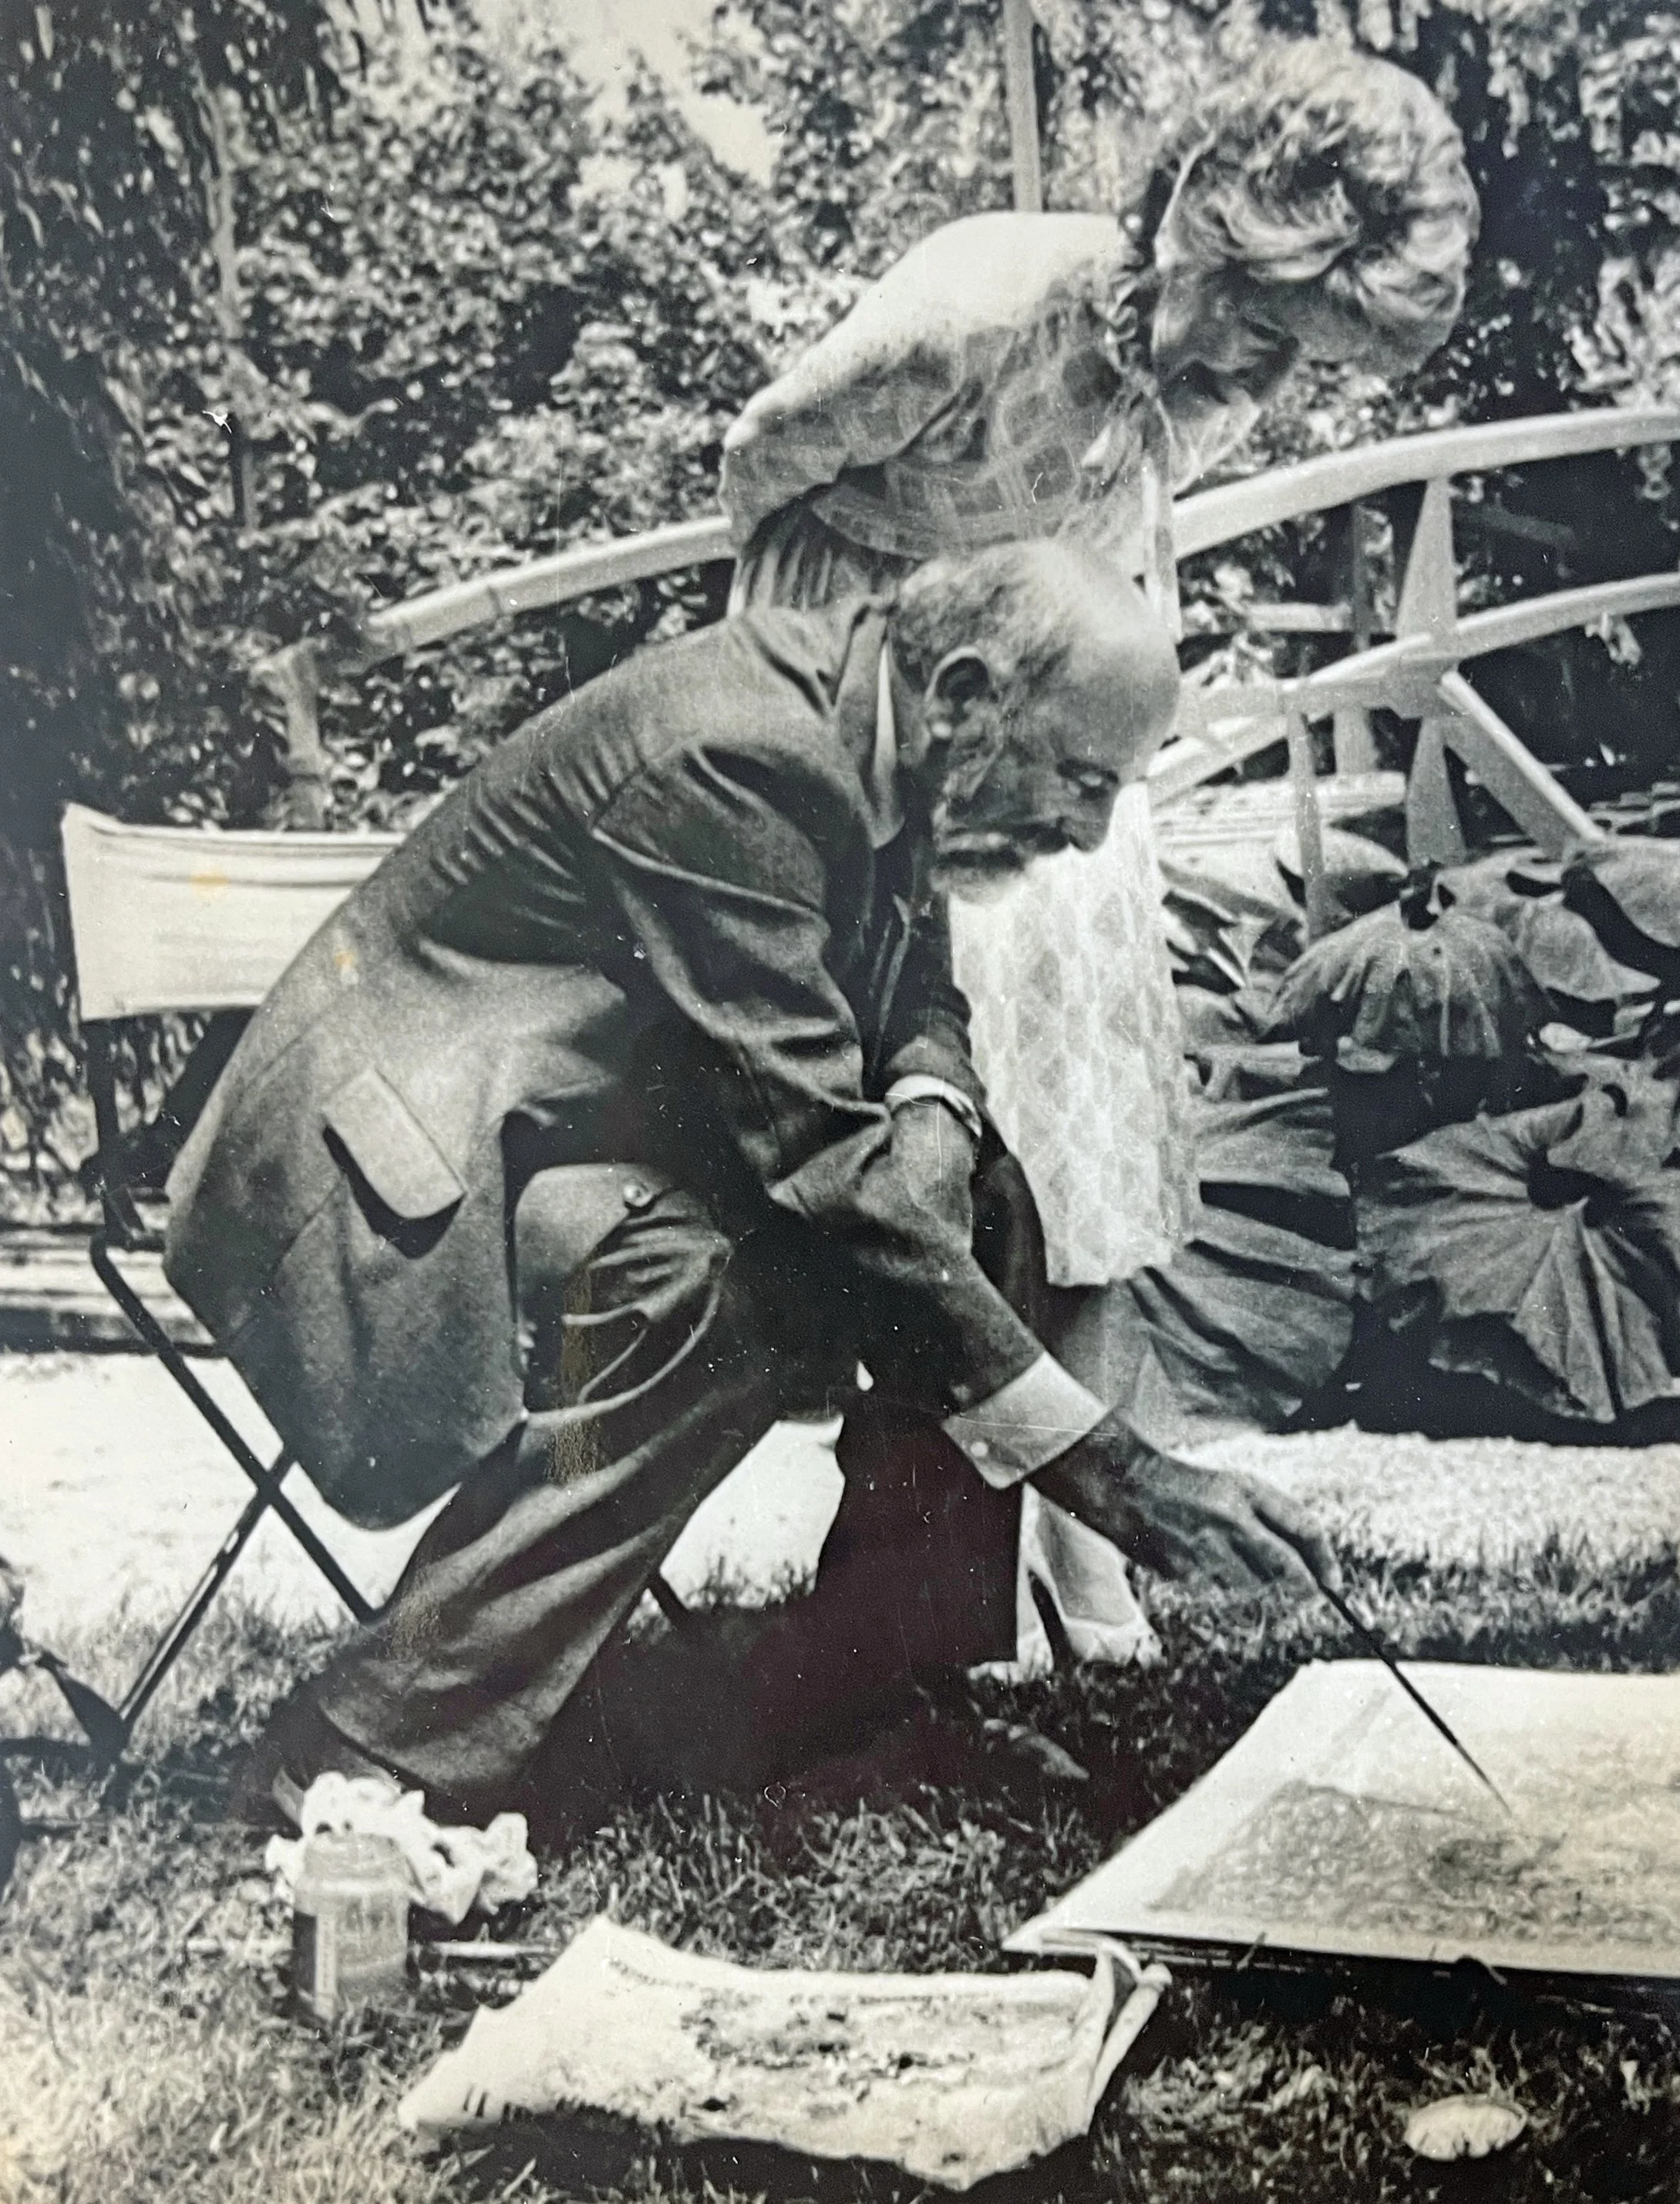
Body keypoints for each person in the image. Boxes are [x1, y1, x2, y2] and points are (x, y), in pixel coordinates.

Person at [163, 540, 1337, 1831]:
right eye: (1081, 778)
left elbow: (916, 990)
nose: (1090, 830)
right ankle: (365, 1744)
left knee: (983, 1201)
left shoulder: (887, 728)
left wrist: (937, 1117)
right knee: (713, 1278)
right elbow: (821, 1171)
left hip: (555, 1117)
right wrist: (1112, 1473)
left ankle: (884, 1693)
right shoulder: (739, 759)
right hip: (383, 1179)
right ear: (961, 696)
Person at [721, 39, 1479, 1671]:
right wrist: (870, 712)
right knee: (958, 1123)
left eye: (1314, 365)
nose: (1272, 385)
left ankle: (1088, 1553)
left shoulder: (1201, 373)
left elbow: (1108, 530)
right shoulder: (981, 304)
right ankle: (939, 1575)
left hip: (1056, 743)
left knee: (1098, 1138)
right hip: (901, 732)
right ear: (1200, 219)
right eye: (1271, 331)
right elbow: (758, 471)